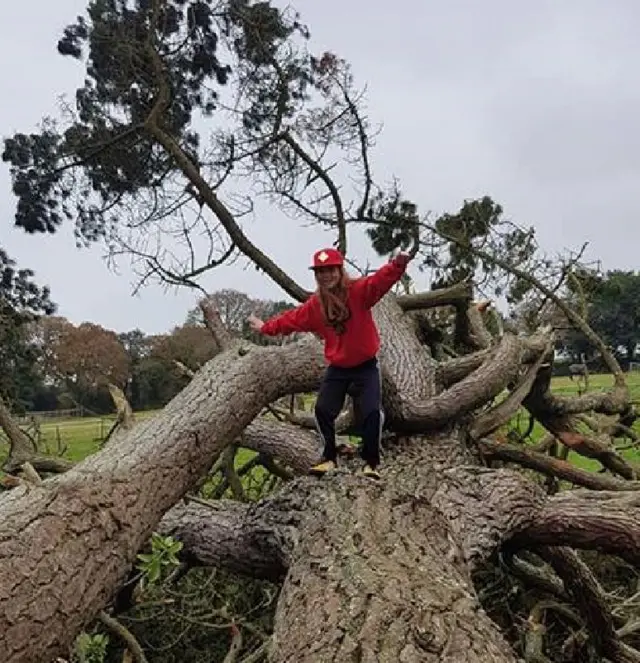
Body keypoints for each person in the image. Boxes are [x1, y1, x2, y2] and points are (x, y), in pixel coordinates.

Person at [248, 247, 412, 480]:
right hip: (339, 368)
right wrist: (265, 327)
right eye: (320, 271)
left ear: (339, 270)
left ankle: (371, 462)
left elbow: (380, 281)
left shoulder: (358, 291)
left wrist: (399, 263)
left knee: (372, 413)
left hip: (366, 366)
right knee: (323, 411)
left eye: (330, 270)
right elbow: (290, 320)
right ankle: (329, 458)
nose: (326, 275)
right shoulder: (316, 306)